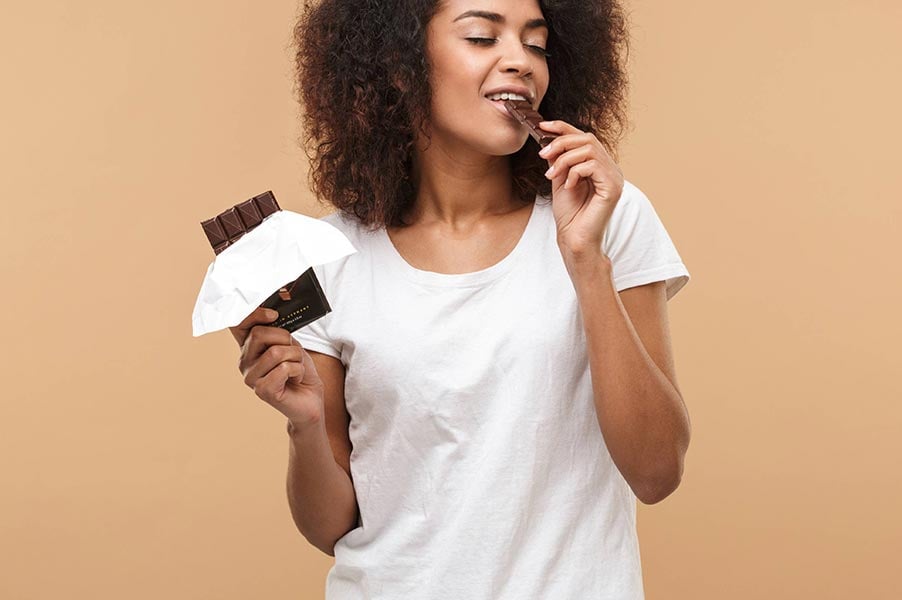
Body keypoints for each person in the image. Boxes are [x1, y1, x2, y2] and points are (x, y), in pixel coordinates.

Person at [230, 0, 692, 597]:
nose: (520, 62)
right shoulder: (330, 256)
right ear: (399, 65)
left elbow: (657, 473)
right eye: (481, 37)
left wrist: (585, 262)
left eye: (537, 44)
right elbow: (332, 528)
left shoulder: (608, 214)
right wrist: (304, 426)